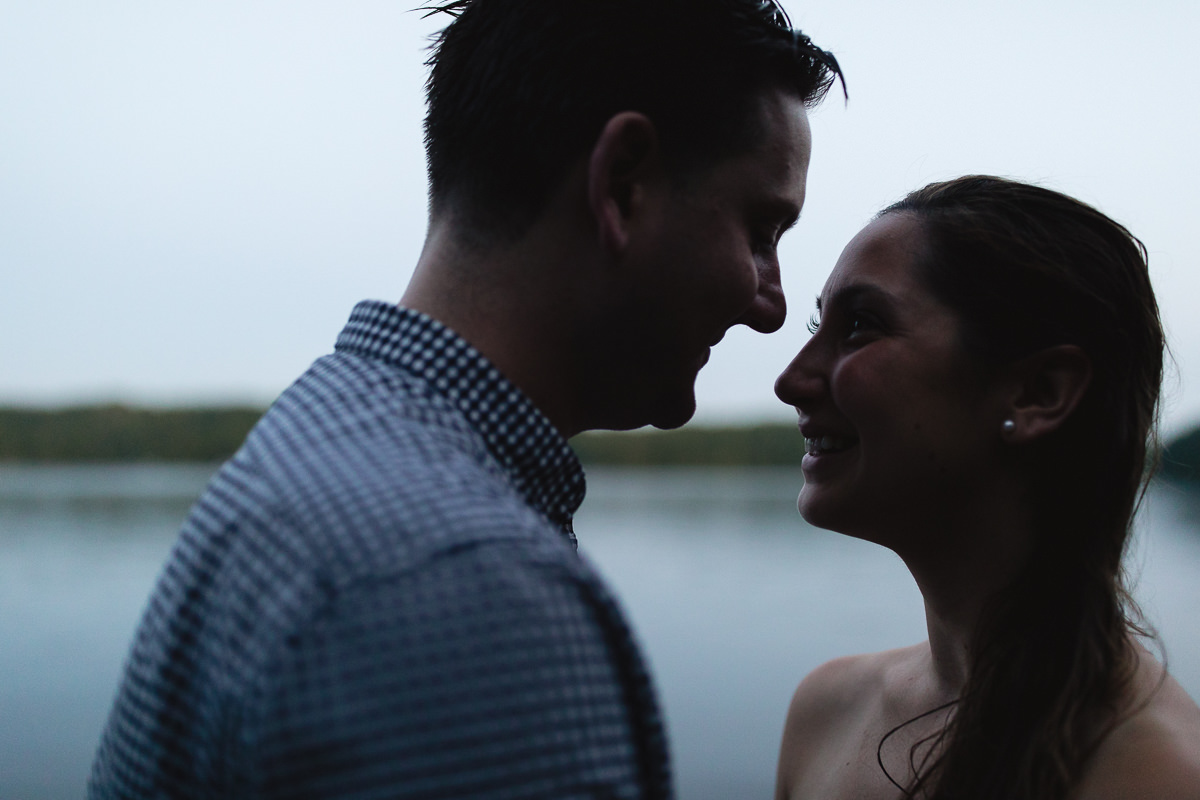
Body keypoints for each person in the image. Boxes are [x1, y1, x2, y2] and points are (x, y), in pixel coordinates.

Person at [89, 1, 843, 798]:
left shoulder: (328, 441)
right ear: (622, 185)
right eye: (762, 231)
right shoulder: (460, 583)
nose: (769, 305)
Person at [772, 175, 1200, 800]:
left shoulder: (1155, 773)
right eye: (819, 323)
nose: (791, 380)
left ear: (1038, 394)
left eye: (861, 325)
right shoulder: (826, 711)